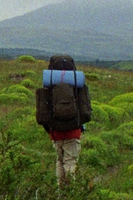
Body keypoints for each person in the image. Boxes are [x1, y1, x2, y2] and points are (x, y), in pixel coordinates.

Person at [35, 54, 91, 185]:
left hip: (55, 132)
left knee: (59, 161)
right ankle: (72, 192)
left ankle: (60, 191)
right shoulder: (76, 85)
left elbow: (42, 113)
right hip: (73, 132)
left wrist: (50, 130)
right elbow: (85, 111)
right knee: (70, 161)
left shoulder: (49, 86)